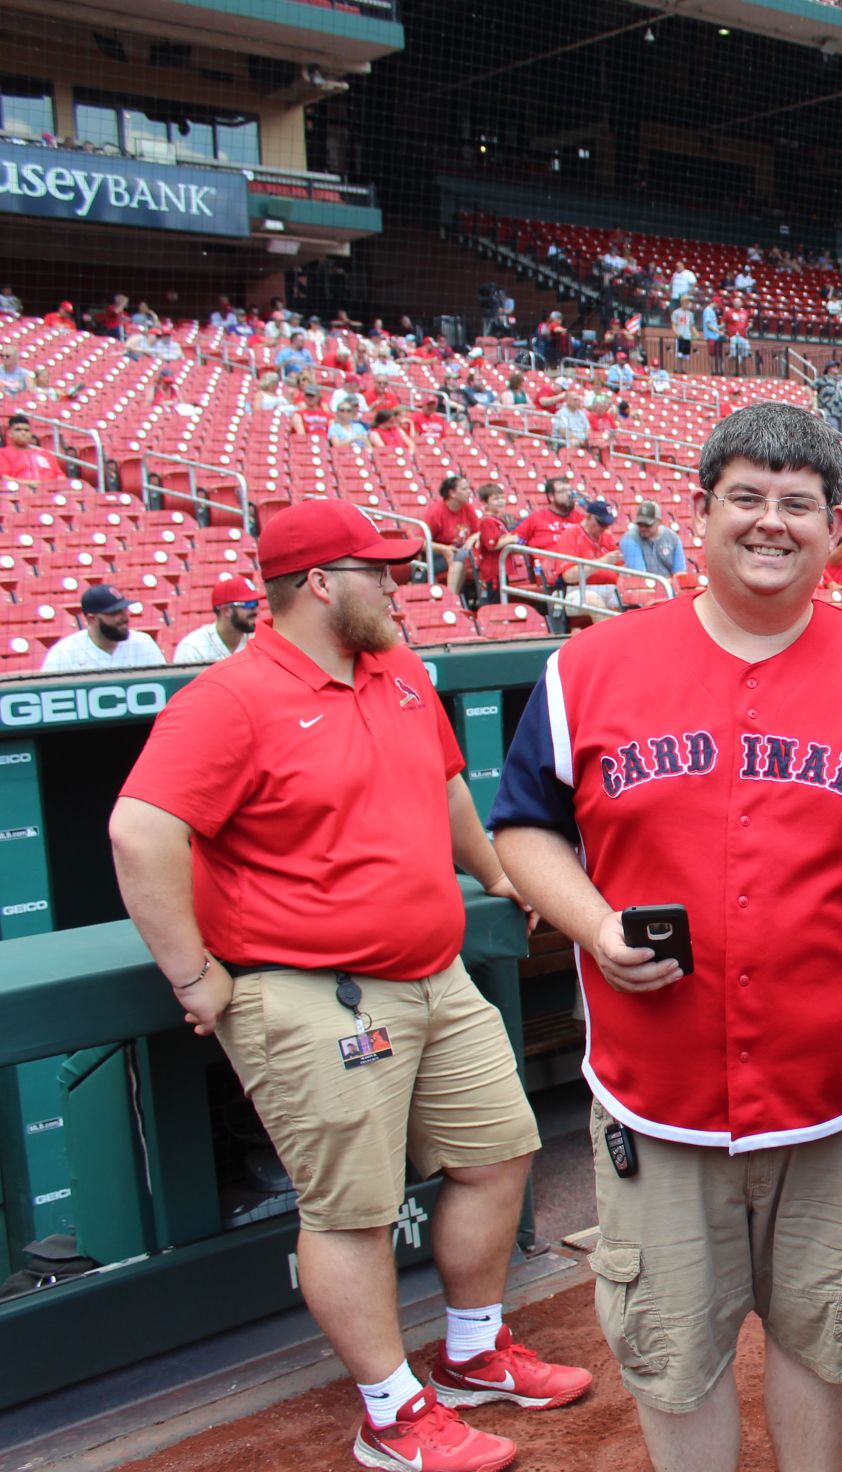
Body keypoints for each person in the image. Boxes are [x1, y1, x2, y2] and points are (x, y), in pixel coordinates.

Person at [488, 403, 842, 1472]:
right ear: (699, 514)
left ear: (832, 526)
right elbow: (523, 826)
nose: (771, 522)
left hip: (837, 1100)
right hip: (653, 1098)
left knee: (824, 1334)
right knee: (676, 1354)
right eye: (746, 498)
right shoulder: (592, 666)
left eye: (797, 503)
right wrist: (595, 922)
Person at [108, 499, 585, 1472]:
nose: (403, 585)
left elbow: (445, 783)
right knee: (352, 1209)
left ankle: (470, 1351)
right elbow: (140, 830)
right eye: (381, 570)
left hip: (432, 973)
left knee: (499, 1151)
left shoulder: (396, 669)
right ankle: (388, 1410)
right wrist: (191, 970)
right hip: (310, 988)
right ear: (320, 582)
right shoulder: (231, 696)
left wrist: (495, 871)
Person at [43, 584, 166, 672]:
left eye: (124, 610)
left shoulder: (144, 643)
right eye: (113, 613)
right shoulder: (64, 653)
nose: (124, 618)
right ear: (92, 619)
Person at [552, 499, 624, 615]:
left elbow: (623, 569)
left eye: (607, 524)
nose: (605, 528)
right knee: (595, 602)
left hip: (609, 589)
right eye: (601, 523)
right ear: (589, 516)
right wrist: (603, 561)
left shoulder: (606, 537)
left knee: (631, 601)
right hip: (577, 591)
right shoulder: (571, 535)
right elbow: (569, 576)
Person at [171, 576, 260, 664]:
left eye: (256, 603)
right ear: (226, 611)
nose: (256, 611)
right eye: (249, 605)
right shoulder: (194, 649)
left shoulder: (260, 641)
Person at [425, 475, 481, 600]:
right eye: (465, 489)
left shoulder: (468, 508)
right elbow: (420, 542)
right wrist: (444, 549)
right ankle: (452, 598)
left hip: (464, 551)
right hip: (438, 556)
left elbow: (478, 532)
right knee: (458, 557)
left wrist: (473, 538)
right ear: (452, 493)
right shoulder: (436, 512)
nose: (469, 492)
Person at [618, 498, 688, 578]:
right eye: (640, 524)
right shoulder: (630, 539)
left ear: (659, 522)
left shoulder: (673, 538)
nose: (643, 528)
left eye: (647, 524)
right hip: (640, 588)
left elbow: (680, 574)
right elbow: (639, 577)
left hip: (668, 587)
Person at [0, 413, 68, 487]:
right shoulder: (3, 453)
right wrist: (31, 485)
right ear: (10, 433)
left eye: (27, 430)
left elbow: (61, 477)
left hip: (50, 493)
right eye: (18, 430)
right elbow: (5, 479)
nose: (23, 433)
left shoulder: (46, 454)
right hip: (20, 494)